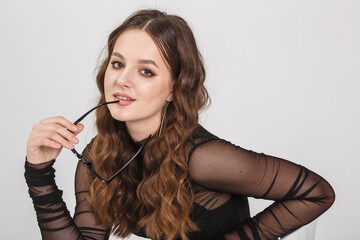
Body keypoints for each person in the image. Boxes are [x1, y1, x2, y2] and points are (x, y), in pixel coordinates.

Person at [25, 9, 335, 240]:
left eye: (146, 71)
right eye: (117, 64)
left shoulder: (202, 158)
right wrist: (39, 171)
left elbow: (317, 193)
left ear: (174, 88)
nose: (122, 79)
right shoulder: (101, 154)